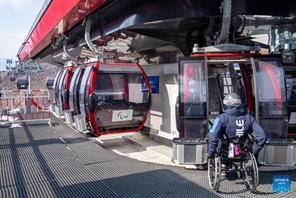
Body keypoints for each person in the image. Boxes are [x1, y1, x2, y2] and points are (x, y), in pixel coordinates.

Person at [208, 93, 267, 159]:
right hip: (243, 154)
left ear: (226, 104)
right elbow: (262, 136)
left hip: (225, 153)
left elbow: (213, 137)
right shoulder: (249, 118)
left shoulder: (220, 119)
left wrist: (211, 154)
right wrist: (253, 152)